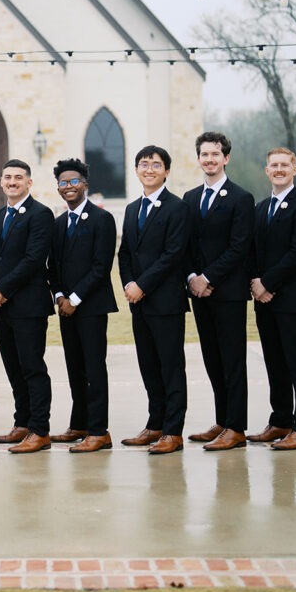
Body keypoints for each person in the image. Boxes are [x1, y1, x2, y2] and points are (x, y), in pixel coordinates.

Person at [183, 132, 255, 451]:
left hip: (227, 292)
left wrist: (208, 277)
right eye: (204, 154)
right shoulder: (189, 198)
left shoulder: (241, 198)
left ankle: (237, 428)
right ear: (198, 159)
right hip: (199, 293)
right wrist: (192, 278)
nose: (209, 159)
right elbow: (185, 245)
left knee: (232, 360)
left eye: (215, 154)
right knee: (212, 358)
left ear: (226, 158)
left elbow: (240, 247)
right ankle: (222, 420)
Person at [248, 147, 296, 450]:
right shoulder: (261, 207)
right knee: (274, 362)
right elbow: (252, 250)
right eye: (273, 165)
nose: (279, 169)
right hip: (264, 299)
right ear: (267, 171)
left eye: (284, 165)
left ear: (294, 170)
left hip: (293, 298)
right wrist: (255, 284)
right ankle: (280, 421)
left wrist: (266, 283)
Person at [117, 146, 190, 455]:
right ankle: (155, 424)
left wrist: (143, 285)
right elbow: (125, 254)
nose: (149, 169)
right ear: (136, 170)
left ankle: (173, 432)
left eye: (156, 164)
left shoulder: (177, 208)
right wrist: (129, 284)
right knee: (149, 366)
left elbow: (174, 254)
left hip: (166, 301)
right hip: (140, 303)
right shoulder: (133, 208)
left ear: (166, 171)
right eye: (144, 164)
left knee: (170, 367)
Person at [0, 159, 55, 454]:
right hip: (2, 307)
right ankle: (22, 423)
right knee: (13, 368)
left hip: (29, 305)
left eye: (18, 177)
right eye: (8, 177)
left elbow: (34, 259)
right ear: (1, 182)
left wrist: (3, 288)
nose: (12, 182)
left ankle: (40, 430)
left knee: (32, 367)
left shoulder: (41, 214)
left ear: (29, 183)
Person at [48, 158, 118, 453]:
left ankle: (99, 430)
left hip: (90, 306)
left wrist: (75, 298)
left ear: (85, 185)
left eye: (74, 181)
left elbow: (101, 266)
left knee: (93, 367)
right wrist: (60, 296)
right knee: (74, 367)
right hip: (66, 307)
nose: (69, 187)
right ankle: (79, 424)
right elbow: (53, 266)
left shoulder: (102, 219)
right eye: (63, 183)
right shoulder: (58, 222)